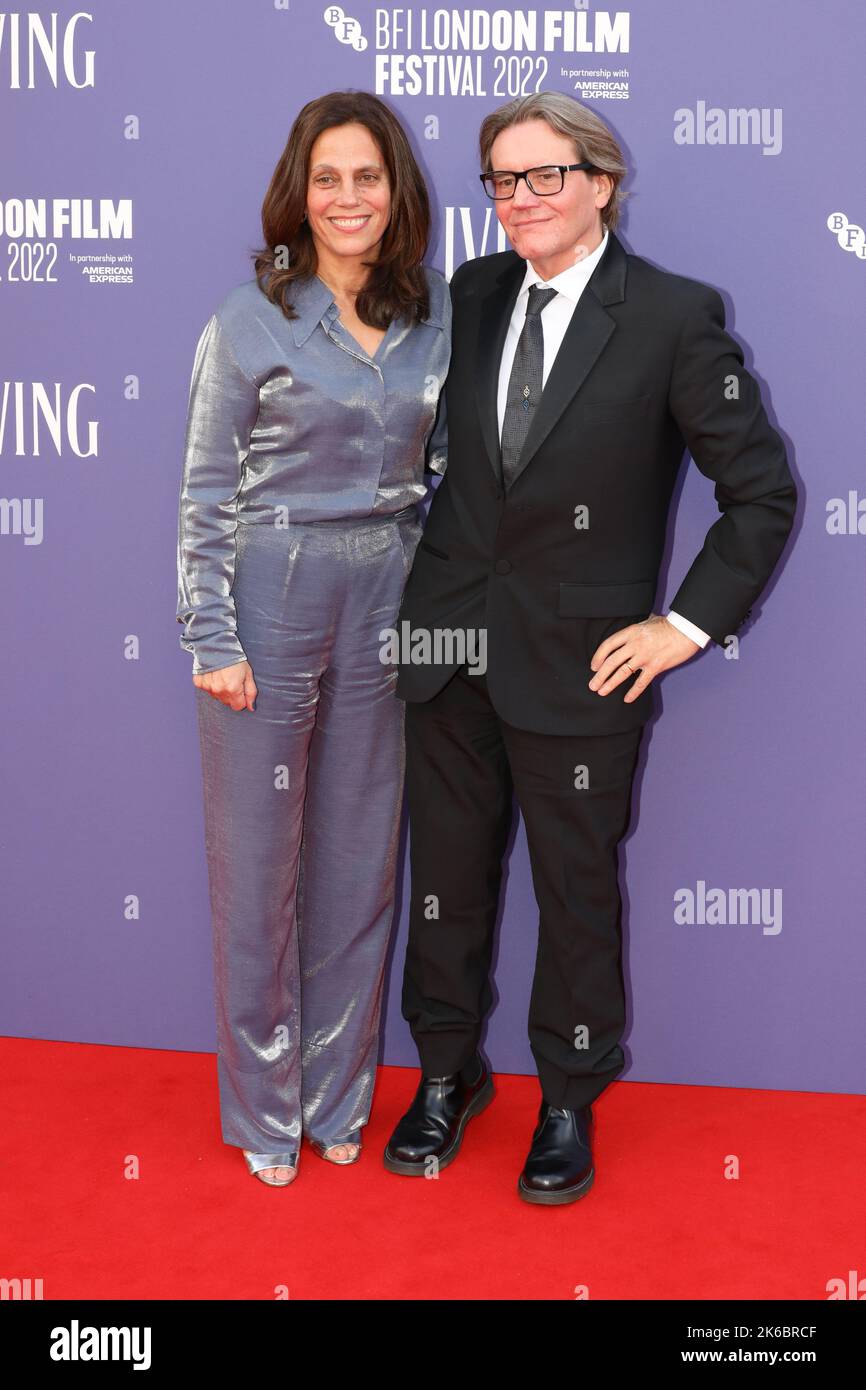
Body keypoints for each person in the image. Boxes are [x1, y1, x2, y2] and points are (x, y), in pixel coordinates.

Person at [383, 92, 797, 1204]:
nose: (520, 200)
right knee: (447, 883)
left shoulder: (669, 316)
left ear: (600, 183)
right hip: (445, 640)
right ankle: (444, 1074)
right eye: (501, 181)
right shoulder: (469, 294)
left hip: (580, 659)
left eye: (543, 177)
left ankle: (565, 1098)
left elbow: (758, 493)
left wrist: (680, 626)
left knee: (572, 891)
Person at [176, 91, 450, 1187]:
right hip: (268, 596)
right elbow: (202, 493)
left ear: (396, 195)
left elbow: (440, 478)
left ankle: (338, 1099)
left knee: (358, 866)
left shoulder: (431, 319)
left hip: (387, 595)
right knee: (258, 874)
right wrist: (210, 634)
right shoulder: (248, 320)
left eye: (367, 179)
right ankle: (262, 1112)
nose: (348, 198)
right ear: (300, 192)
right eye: (328, 178)